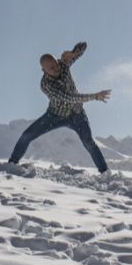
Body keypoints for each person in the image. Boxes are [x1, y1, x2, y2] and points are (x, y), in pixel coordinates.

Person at [8, 41, 112, 173]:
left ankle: (105, 172)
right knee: (27, 135)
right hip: (55, 116)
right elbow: (70, 97)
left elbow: (84, 45)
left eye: (56, 65)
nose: (56, 68)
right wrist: (94, 96)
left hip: (77, 115)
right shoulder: (46, 85)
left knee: (88, 142)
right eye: (51, 68)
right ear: (43, 70)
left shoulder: (63, 64)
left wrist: (74, 52)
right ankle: (12, 163)